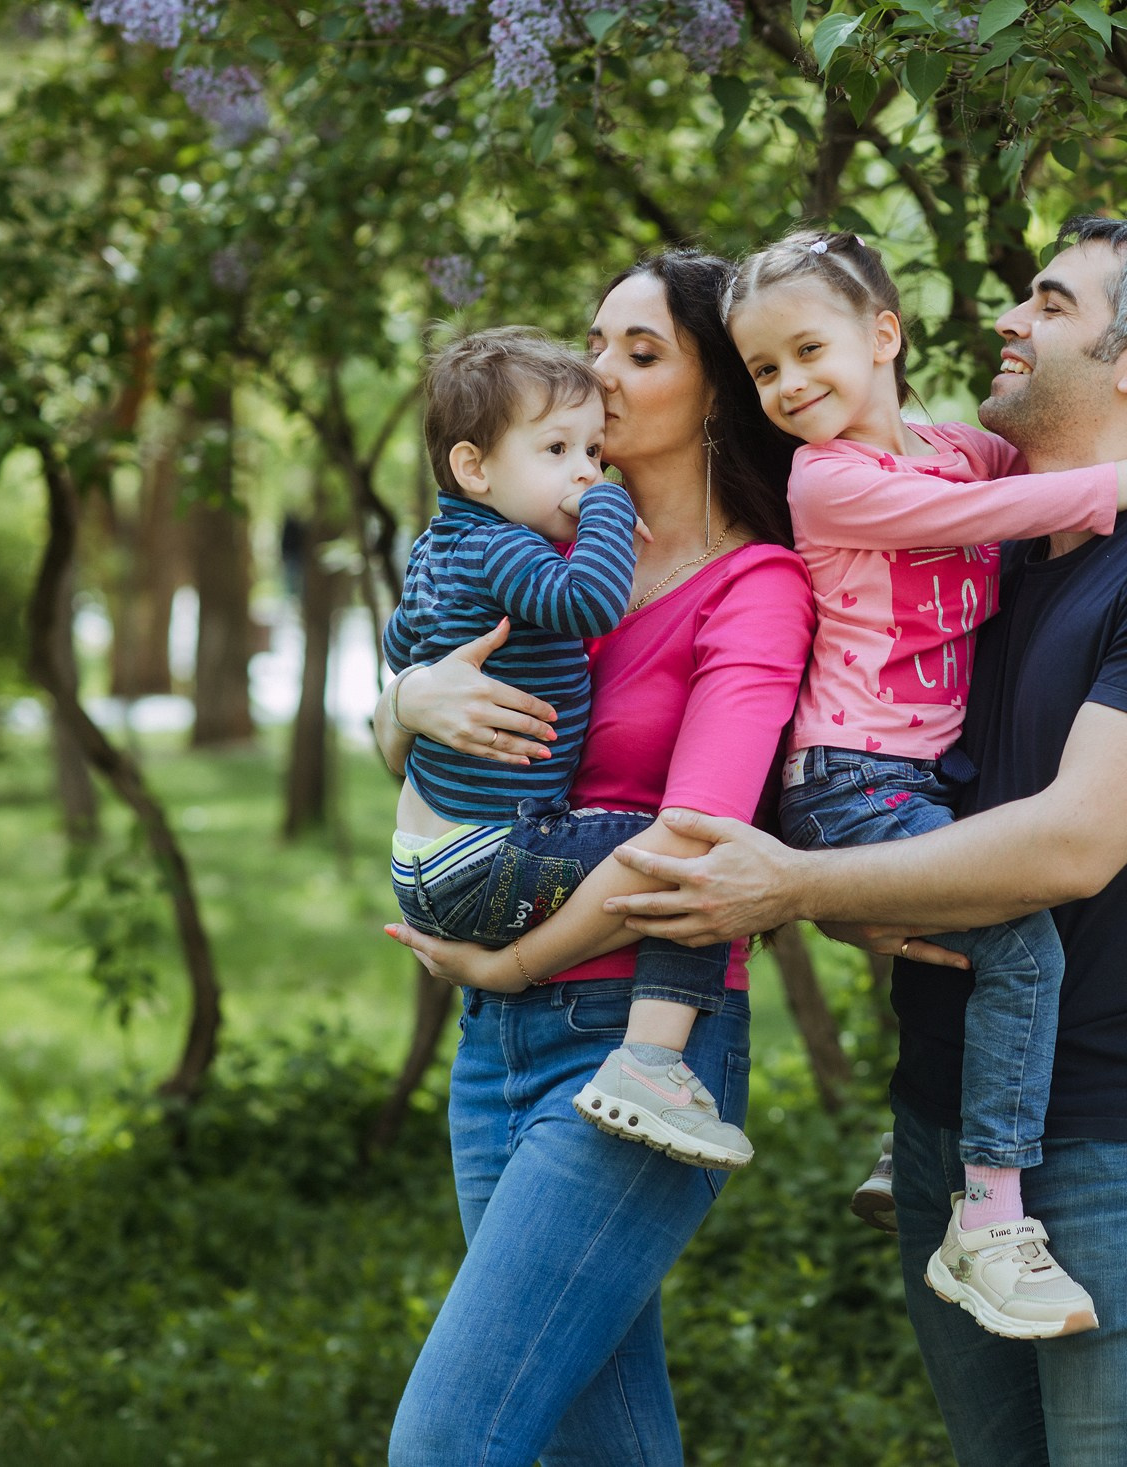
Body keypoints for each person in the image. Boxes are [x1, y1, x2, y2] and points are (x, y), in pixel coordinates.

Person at [601, 217, 1127, 1467]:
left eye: (1051, 302)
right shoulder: (996, 544)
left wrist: (797, 885)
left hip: (1118, 1143)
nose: (1009, 319)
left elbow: (1067, 848)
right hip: (941, 1122)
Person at [721, 228, 1127, 1341]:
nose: (788, 383)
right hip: (853, 775)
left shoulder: (958, 452)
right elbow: (994, 515)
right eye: (763, 369)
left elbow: (1034, 471)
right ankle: (989, 1211)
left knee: (980, 939)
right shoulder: (829, 478)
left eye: (807, 350)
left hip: (913, 774)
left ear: (883, 336)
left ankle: (946, 1162)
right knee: (1018, 948)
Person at [376, 251, 814, 1467]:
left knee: (449, 1439)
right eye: (595, 340)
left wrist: (512, 966)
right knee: (598, 1441)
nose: (601, 373)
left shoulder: (755, 587)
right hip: (496, 1051)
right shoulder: (536, 545)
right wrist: (406, 701)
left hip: (630, 1043)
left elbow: (695, 844)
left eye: (642, 351)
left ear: (717, 389)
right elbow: (432, 736)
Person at [383, 326, 750, 1169]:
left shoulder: (438, 546)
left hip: (427, 858)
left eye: (592, 452)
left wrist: (413, 684)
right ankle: (653, 1066)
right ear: (474, 468)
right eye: (557, 451)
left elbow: (402, 641)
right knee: (700, 860)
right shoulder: (506, 546)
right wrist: (611, 509)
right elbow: (589, 601)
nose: (586, 471)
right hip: (490, 856)